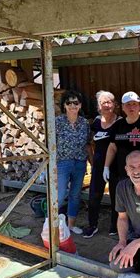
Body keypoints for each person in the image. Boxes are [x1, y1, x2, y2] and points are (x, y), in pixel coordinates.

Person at [103, 91, 140, 214]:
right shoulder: (118, 125)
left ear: (139, 106)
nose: (131, 107)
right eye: (128, 104)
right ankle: (126, 227)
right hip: (123, 172)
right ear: (123, 107)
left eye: (134, 104)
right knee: (126, 201)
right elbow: (112, 147)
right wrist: (106, 167)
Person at [83, 91, 123, 239]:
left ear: (114, 105)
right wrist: (92, 161)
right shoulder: (96, 122)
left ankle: (115, 225)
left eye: (109, 102)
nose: (106, 105)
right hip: (99, 165)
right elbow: (89, 144)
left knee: (115, 196)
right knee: (94, 195)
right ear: (99, 106)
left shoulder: (120, 122)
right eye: (103, 102)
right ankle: (92, 225)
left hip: (116, 166)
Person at [56, 89, 92, 235]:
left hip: (80, 162)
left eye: (75, 103)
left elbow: (88, 144)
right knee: (59, 195)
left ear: (80, 105)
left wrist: (93, 163)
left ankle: (70, 226)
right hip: (62, 163)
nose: (72, 105)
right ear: (64, 105)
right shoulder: (57, 122)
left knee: (75, 195)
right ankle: (52, 225)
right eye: (69, 102)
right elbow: (50, 144)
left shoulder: (84, 123)